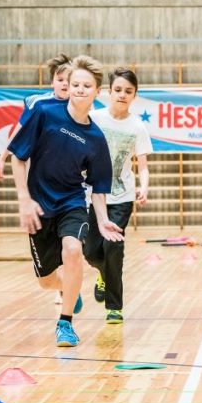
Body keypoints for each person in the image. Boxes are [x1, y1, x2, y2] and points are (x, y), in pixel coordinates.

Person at [8, 56, 116, 347]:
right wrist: (24, 200)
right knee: (46, 281)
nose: (79, 89)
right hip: (39, 205)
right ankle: (71, 287)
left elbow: (98, 187)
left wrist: (103, 219)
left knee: (73, 250)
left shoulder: (95, 138)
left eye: (87, 85)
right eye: (75, 84)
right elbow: (18, 158)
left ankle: (65, 323)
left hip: (71, 203)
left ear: (96, 92)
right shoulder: (43, 112)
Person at [84, 68, 152, 324]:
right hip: (93, 196)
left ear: (134, 95)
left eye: (128, 91)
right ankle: (103, 274)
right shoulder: (94, 118)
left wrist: (143, 187)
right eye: (118, 90)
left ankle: (114, 307)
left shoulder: (137, 126)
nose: (122, 95)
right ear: (108, 92)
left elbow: (142, 165)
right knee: (91, 252)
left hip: (122, 196)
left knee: (113, 246)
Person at [0, 53, 72, 180]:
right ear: (52, 82)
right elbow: (19, 130)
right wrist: (2, 158)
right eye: (60, 79)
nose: (65, 84)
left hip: (68, 169)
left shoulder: (79, 106)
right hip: (38, 165)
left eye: (69, 80)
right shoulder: (38, 103)